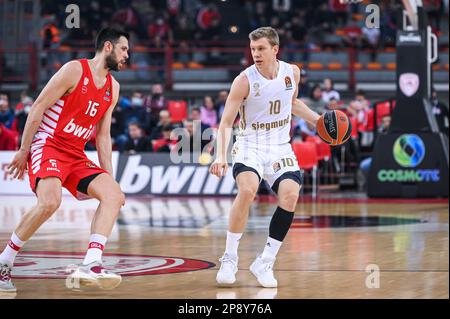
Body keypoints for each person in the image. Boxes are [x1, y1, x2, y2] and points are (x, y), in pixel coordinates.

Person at [0, 27, 129, 292]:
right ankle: (5, 260)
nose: (127, 54)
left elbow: (103, 137)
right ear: (108, 47)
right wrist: (24, 149)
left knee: (114, 196)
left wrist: (110, 181)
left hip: (75, 153)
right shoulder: (74, 70)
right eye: (123, 49)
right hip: (48, 144)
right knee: (50, 202)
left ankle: (91, 263)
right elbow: (38, 106)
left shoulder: (113, 88)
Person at [209, 27, 320, 288]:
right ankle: (230, 257)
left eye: (261, 49)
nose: (256, 54)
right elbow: (226, 122)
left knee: (291, 195)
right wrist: (219, 156)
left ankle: (265, 261)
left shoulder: (292, 72)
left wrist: (317, 121)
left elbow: (292, 103)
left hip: (280, 145)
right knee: (247, 190)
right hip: (250, 145)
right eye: (253, 49)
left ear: (275, 50)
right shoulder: (244, 80)